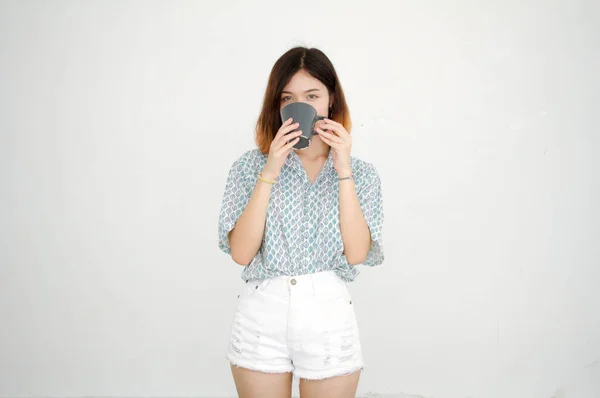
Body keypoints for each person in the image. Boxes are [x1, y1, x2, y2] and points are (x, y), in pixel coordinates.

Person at [217, 46, 384, 398]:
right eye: (288, 98)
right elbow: (241, 253)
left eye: (312, 95)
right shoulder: (249, 167)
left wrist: (342, 168)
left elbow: (356, 254)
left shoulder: (362, 174)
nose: (301, 105)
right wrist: (271, 168)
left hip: (328, 316)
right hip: (263, 315)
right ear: (277, 107)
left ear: (330, 100)